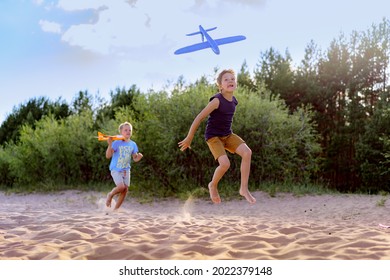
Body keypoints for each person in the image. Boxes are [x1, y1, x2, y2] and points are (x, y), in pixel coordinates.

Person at [178, 69, 256, 204]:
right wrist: (189, 137)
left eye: (233, 79)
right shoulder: (216, 101)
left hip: (227, 135)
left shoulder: (234, 101)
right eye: (226, 79)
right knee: (225, 164)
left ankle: (243, 189)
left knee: (247, 152)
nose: (230, 81)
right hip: (214, 137)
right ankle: (213, 185)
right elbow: (199, 118)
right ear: (220, 85)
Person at [105, 122, 143, 210]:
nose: (128, 131)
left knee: (125, 190)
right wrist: (110, 144)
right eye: (125, 130)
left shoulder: (133, 144)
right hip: (116, 169)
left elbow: (135, 158)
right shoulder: (116, 143)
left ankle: (115, 210)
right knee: (121, 187)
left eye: (130, 130)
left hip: (126, 170)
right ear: (121, 132)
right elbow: (108, 156)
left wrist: (139, 157)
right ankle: (110, 195)